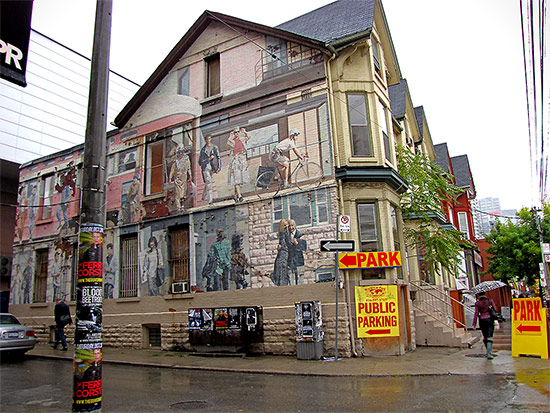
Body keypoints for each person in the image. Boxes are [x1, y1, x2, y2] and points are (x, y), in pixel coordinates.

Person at [227, 127, 250, 202]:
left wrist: (245, 132)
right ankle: (239, 196)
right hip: (236, 160)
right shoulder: (232, 141)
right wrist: (231, 136)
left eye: (238, 132)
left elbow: (249, 137)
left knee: (240, 179)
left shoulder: (242, 139)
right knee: (236, 178)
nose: (237, 134)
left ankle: (235, 195)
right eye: (235, 132)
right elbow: (229, 143)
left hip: (242, 159)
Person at [473, 291, 497, 359]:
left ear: (478, 295)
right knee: (490, 336)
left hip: (482, 320)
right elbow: (495, 309)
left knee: (485, 336)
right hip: (489, 319)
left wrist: (474, 324)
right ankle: (489, 353)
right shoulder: (489, 300)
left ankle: (488, 351)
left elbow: (476, 313)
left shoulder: (477, 303)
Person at [199, 135, 221, 204]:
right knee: (208, 183)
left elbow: (218, 157)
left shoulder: (214, 147)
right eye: (207, 139)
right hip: (205, 168)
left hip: (212, 167)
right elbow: (200, 162)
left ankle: (203, 197)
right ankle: (210, 200)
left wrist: (218, 167)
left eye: (209, 139)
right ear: (205, 140)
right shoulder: (203, 150)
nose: (208, 140)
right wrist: (208, 159)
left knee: (208, 182)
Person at [169, 145, 193, 210]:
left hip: (184, 177)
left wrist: (190, 175)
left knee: (184, 193)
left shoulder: (186, 159)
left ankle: (182, 205)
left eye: (181, 152)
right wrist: (170, 177)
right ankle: (178, 207)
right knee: (178, 193)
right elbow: (172, 169)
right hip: (177, 178)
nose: (180, 154)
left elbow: (188, 167)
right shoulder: (176, 160)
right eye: (179, 152)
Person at [271, 219, 292, 286]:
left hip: (282, 252)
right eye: (285, 225)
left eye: (287, 224)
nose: (287, 226)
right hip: (284, 252)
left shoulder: (283, 233)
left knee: (281, 268)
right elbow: (287, 242)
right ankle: (282, 282)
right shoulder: (285, 232)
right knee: (282, 268)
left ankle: (280, 282)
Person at [287, 219, 306, 285]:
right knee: (290, 280)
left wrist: (297, 243)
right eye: (289, 226)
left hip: (299, 261)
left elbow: (304, 247)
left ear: (295, 225)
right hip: (290, 261)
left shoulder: (300, 235)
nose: (290, 227)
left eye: (292, 225)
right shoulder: (286, 236)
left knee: (300, 280)